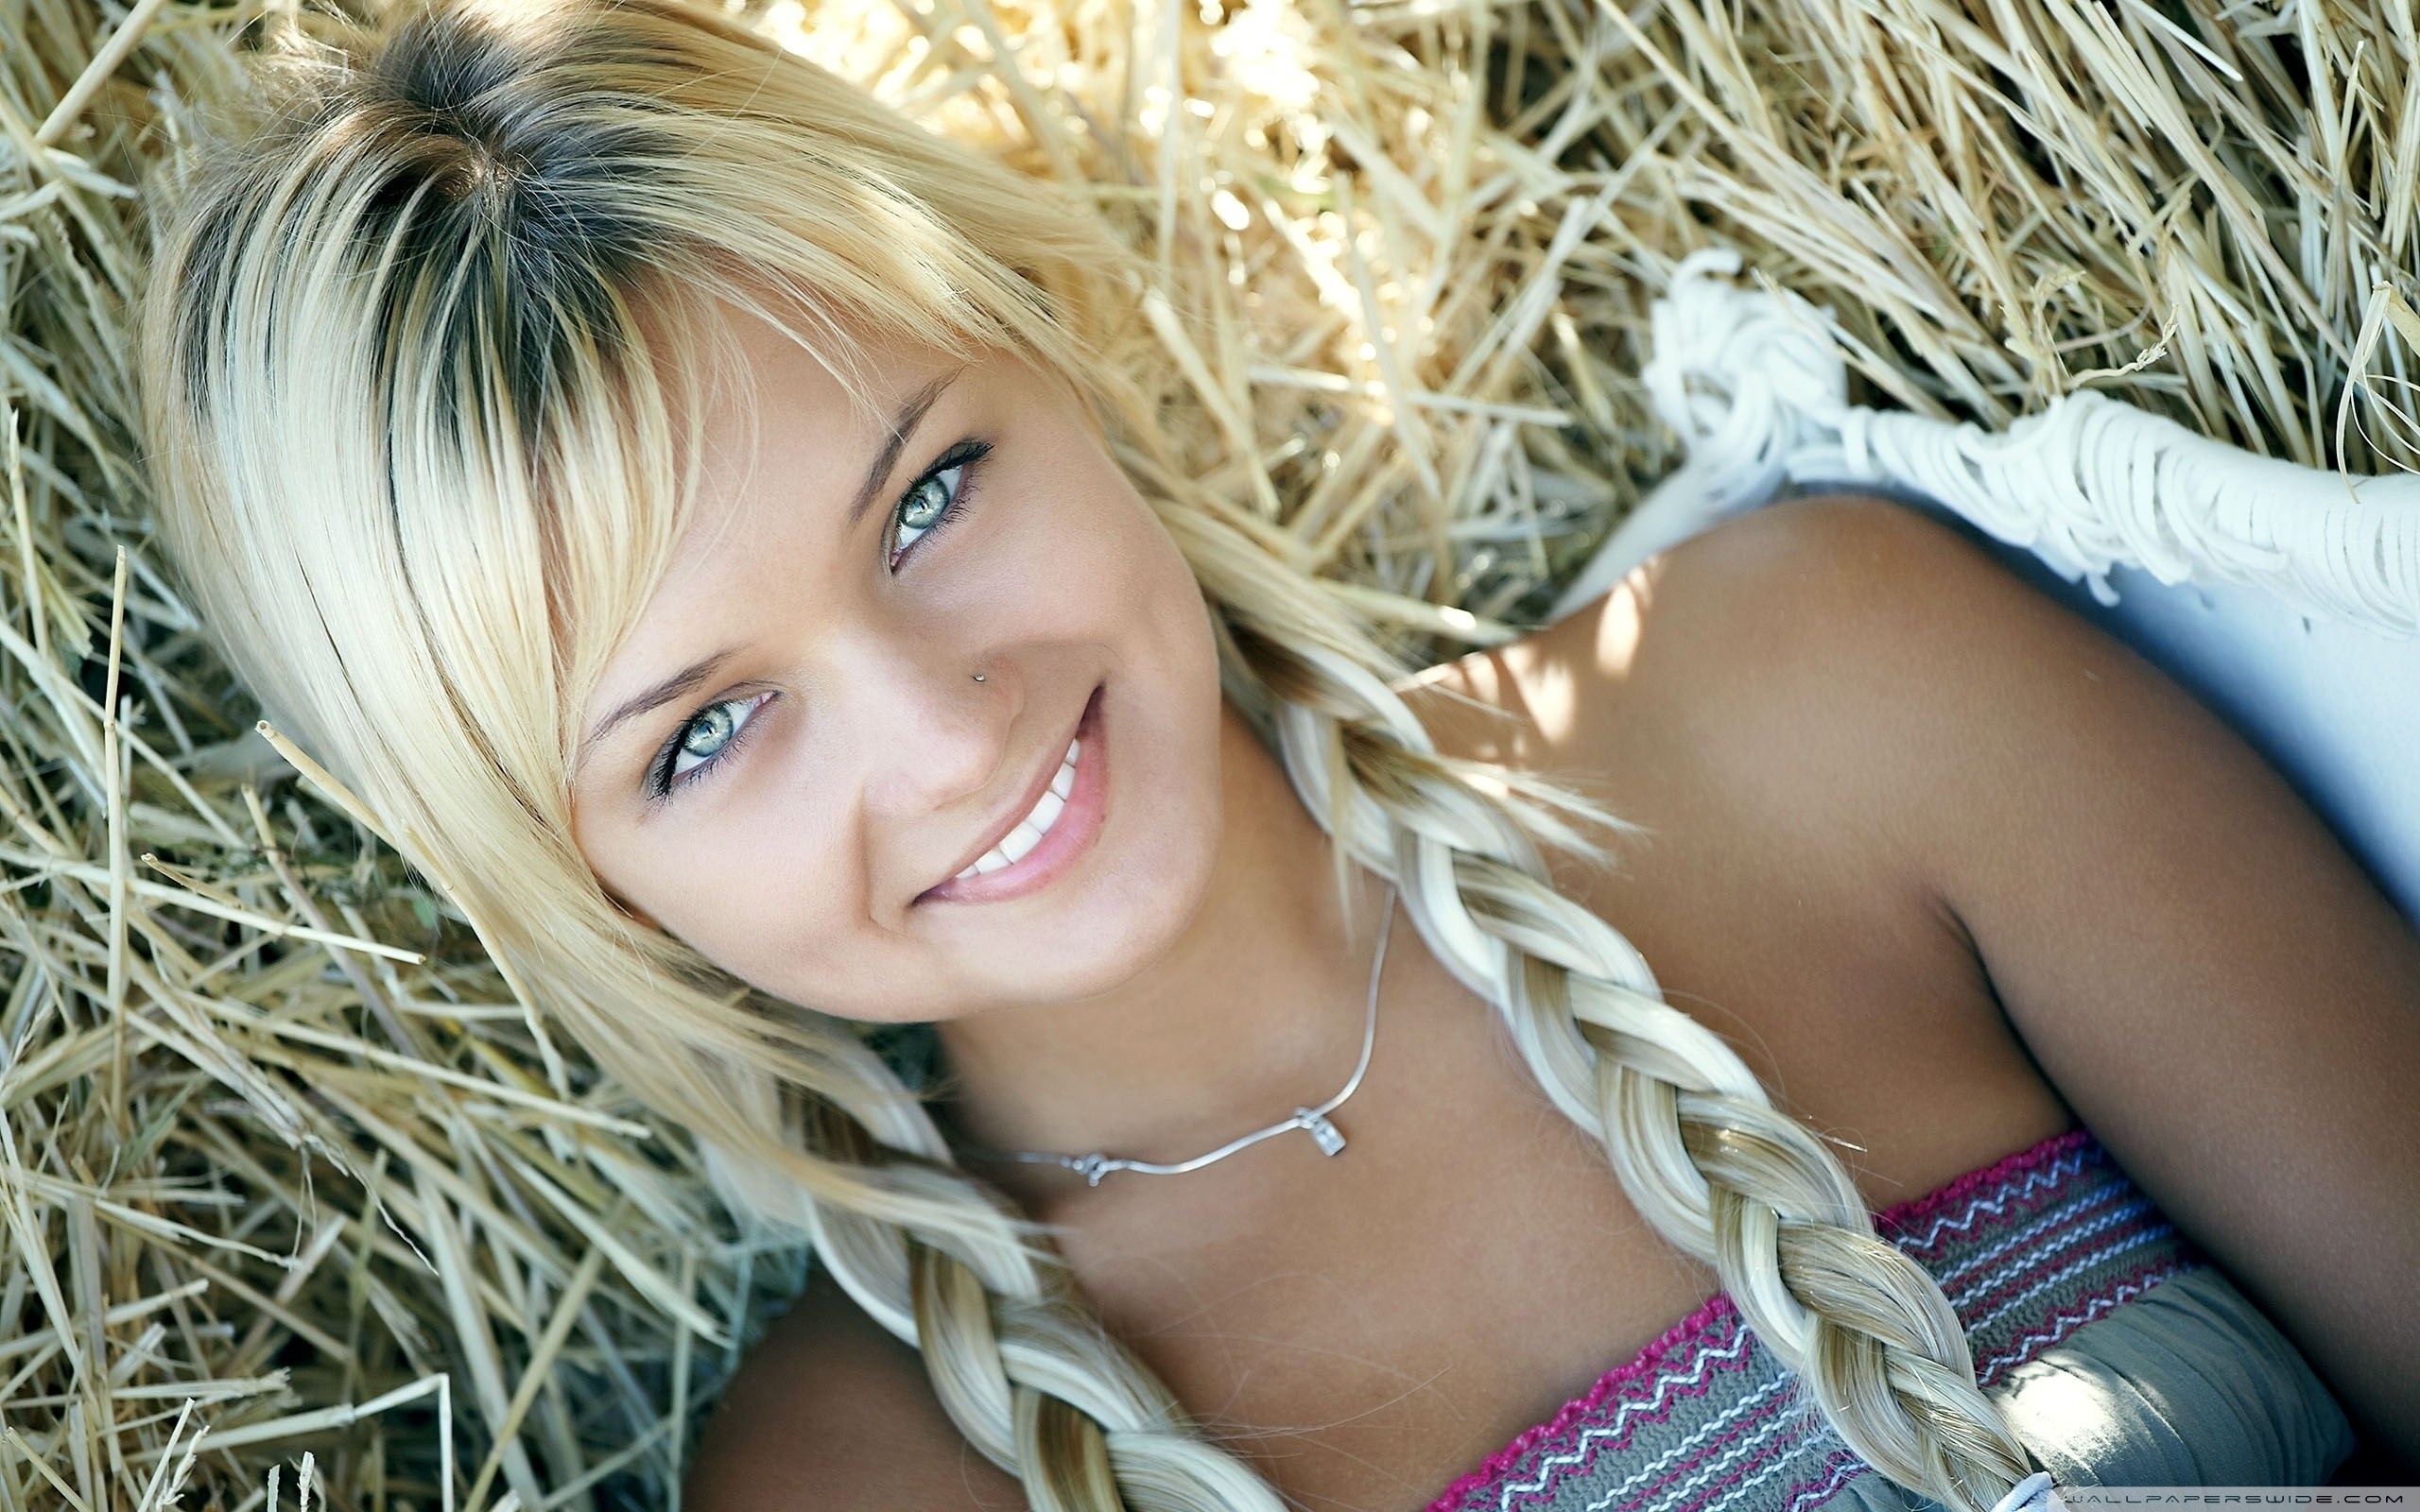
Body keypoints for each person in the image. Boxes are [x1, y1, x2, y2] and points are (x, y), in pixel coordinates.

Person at [135, 0, 2420, 1507]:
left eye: (929, 493)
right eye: (707, 730)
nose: (944, 726)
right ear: (567, 874)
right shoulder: (879, 1474)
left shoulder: (1815, 690)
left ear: (1068, 361)